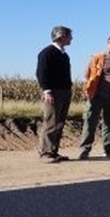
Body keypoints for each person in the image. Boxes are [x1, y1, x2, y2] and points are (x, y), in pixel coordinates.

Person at [36, 25, 74, 163]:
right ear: (61, 36)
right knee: (51, 122)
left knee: (59, 123)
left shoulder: (64, 54)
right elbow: (41, 73)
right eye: (69, 36)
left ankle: (53, 151)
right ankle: (45, 153)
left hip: (64, 92)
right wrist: (47, 91)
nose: (71, 38)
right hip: (52, 92)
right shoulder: (47, 53)